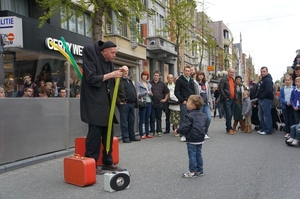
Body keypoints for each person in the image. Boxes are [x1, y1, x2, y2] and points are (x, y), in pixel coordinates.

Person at [80, 40, 124, 173]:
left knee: (108, 134)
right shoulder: (91, 56)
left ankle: (107, 161)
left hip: (106, 102)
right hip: (95, 103)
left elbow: (111, 78)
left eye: (116, 53)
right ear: (104, 52)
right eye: (112, 53)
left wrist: (121, 72)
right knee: (94, 134)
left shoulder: (109, 61)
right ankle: (91, 163)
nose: (114, 56)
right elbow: (91, 79)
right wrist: (112, 74)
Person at [174, 95, 207, 178]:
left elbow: (185, 127)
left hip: (192, 138)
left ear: (192, 105)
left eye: (188, 102)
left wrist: (178, 130)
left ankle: (192, 171)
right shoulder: (203, 115)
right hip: (200, 138)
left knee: (192, 155)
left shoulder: (189, 116)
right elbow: (205, 126)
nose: (186, 103)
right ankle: (200, 170)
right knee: (198, 154)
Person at [117, 66, 140, 143]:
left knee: (131, 121)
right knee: (124, 121)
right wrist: (119, 101)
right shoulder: (118, 80)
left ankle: (132, 136)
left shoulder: (130, 81)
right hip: (124, 104)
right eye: (124, 70)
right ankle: (125, 137)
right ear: (121, 71)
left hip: (131, 104)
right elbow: (114, 92)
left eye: (127, 70)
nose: (126, 72)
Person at [175, 65, 195, 141]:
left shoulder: (191, 80)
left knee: (191, 118)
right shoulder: (180, 80)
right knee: (183, 118)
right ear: (183, 71)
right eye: (186, 71)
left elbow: (193, 91)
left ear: (190, 72)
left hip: (191, 102)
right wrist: (182, 100)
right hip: (184, 102)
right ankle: (182, 135)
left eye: (188, 71)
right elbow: (176, 92)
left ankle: (189, 133)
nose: (187, 72)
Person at [149, 70, 170, 137]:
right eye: (155, 75)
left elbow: (167, 92)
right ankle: (152, 131)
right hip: (152, 103)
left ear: (159, 76)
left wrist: (165, 99)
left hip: (159, 104)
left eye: (157, 76)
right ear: (153, 76)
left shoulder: (162, 84)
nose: (156, 77)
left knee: (158, 118)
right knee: (152, 118)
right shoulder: (150, 83)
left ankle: (159, 130)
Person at [256, 66, 274, 135]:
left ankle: (268, 130)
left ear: (267, 72)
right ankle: (263, 128)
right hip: (262, 99)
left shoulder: (267, 80)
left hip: (266, 99)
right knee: (260, 115)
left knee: (266, 115)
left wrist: (261, 96)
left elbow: (269, 91)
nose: (262, 73)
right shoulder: (263, 80)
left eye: (264, 71)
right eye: (261, 72)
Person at [136, 71, 154, 139]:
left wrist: (151, 93)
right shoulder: (139, 84)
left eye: (146, 76)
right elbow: (138, 94)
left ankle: (147, 133)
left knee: (147, 119)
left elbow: (152, 94)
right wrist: (146, 92)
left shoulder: (149, 84)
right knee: (142, 119)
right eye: (143, 75)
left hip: (149, 102)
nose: (144, 77)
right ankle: (141, 134)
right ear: (141, 76)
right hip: (143, 102)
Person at [195, 71, 212, 139]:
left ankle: (205, 132)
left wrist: (211, 103)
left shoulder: (206, 84)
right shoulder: (195, 83)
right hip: (199, 104)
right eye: (199, 75)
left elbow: (209, 94)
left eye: (202, 75)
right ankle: (200, 133)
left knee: (208, 118)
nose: (201, 76)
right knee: (199, 119)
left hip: (206, 103)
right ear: (197, 76)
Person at [218, 68, 236, 135]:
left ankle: (228, 128)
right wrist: (225, 97)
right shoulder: (224, 79)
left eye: (233, 72)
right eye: (231, 72)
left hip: (232, 99)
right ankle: (229, 128)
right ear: (228, 72)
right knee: (228, 114)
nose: (232, 73)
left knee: (231, 114)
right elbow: (220, 88)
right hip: (227, 99)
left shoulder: (232, 80)